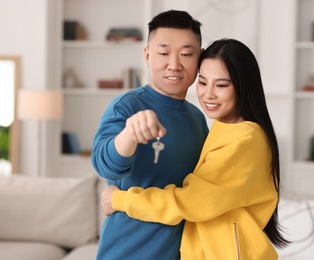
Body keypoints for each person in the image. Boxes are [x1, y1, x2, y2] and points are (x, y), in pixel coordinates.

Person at [101, 38, 290, 259]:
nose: (208, 94)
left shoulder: (245, 139)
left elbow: (190, 201)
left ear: (243, 86)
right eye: (202, 82)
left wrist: (120, 200)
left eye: (221, 85)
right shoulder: (223, 127)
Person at [91, 10, 209, 260]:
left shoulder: (198, 119)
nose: (174, 65)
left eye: (187, 54)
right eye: (164, 53)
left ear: (199, 59)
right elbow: (105, 166)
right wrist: (130, 134)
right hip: (126, 252)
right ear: (147, 55)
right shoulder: (126, 106)